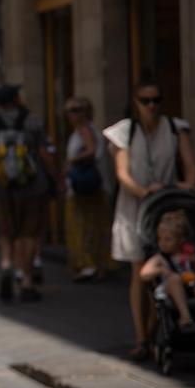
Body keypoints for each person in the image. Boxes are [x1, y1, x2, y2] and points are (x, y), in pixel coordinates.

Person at [104, 77, 195, 361]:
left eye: (156, 100)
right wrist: (144, 193)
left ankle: (156, 332)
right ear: (136, 103)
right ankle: (141, 337)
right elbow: (122, 173)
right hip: (135, 208)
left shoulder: (175, 128)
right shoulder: (125, 131)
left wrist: (184, 187)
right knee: (138, 272)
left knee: (164, 270)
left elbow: (192, 167)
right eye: (145, 101)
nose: (152, 106)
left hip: (166, 209)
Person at [0, 84, 57, 302]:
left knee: (6, 233)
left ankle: (6, 265)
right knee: (29, 233)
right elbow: (44, 152)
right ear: (16, 99)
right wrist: (57, 177)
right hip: (33, 186)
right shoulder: (32, 121)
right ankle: (26, 279)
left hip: (3, 187)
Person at [140, 210, 195, 337]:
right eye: (160, 239)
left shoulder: (189, 254)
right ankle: (184, 316)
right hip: (171, 290)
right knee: (174, 278)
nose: (162, 243)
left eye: (167, 239)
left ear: (181, 240)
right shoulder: (160, 258)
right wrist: (160, 270)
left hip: (192, 286)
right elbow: (143, 273)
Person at [62, 97, 112, 282]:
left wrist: (71, 162)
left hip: (85, 186)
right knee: (94, 224)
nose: (72, 115)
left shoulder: (85, 130)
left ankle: (89, 264)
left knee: (83, 224)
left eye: (77, 110)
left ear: (86, 112)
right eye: (69, 111)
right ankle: (97, 265)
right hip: (90, 185)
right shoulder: (84, 130)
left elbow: (91, 150)